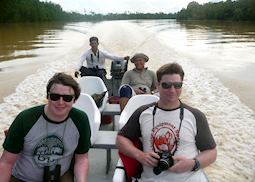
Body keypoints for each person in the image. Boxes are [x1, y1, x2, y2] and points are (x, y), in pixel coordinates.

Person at [116, 63, 217, 181]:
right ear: (158, 86)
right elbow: (121, 139)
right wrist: (140, 156)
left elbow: (211, 152)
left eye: (177, 85)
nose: (172, 90)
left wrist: (192, 164)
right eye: (166, 85)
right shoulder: (143, 113)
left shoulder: (195, 116)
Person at [0, 73, 91, 182]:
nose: (60, 102)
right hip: (22, 178)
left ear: (74, 100)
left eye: (67, 98)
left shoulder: (80, 120)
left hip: (60, 176)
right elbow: (6, 162)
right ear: (47, 96)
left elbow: (82, 159)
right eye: (55, 96)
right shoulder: (25, 119)